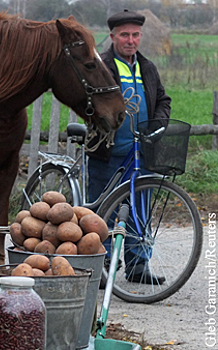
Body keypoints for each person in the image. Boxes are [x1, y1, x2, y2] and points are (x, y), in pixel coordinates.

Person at [88, 9, 171, 285]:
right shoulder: (101, 65)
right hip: (109, 152)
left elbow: (163, 100)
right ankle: (102, 265)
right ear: (112, 37)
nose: (131, 40)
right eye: (125, 35)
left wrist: (156, 126)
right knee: (103, 211)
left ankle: (138, 266)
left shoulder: (147, 67)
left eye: (135, 35)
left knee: (139, 209)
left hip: (141, 152)